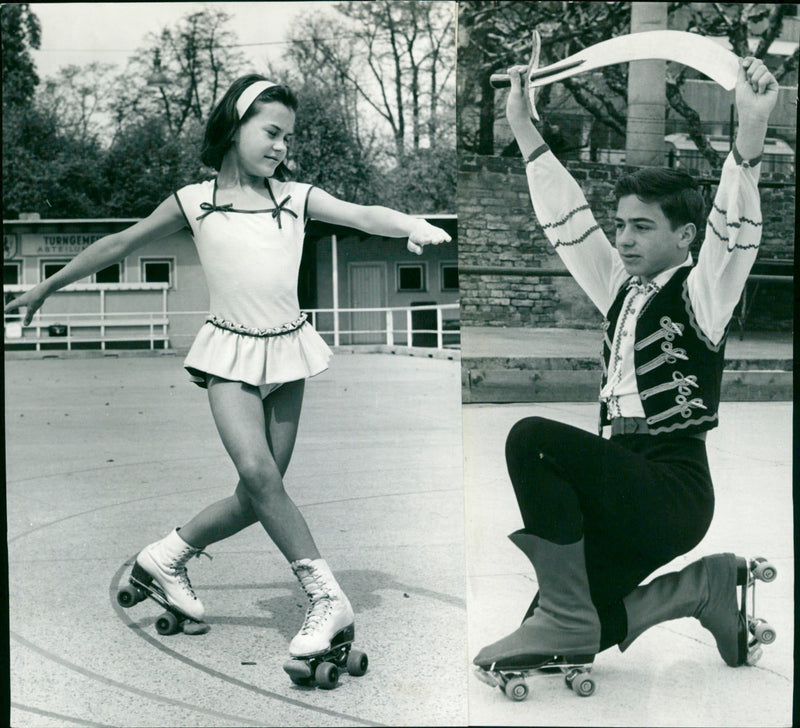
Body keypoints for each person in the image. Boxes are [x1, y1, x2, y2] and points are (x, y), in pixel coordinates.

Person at [5, 75, 451, 660]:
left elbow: (363, 213)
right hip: (229, 357)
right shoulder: (194, 201)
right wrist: (46, 286)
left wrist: (411, 225)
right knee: (262, 477)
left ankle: (163, 559)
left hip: (287, 352)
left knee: (257, 495)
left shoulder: (295, 198)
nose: (281, 147)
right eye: (271, 132)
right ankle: (326, 597)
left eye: (288, 138)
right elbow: (120, 243)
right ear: (235, 126)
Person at [472, 56, 778, 673]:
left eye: (642, 226)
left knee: (532, 441)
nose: (625, 239)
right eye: (621, 226)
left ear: (687, 236)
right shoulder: (619, 287)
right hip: (623, 482)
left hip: (670, 488)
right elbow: (568, 222)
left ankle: (568, 612)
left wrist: (749, 132)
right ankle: (704, 588)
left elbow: (732, 225)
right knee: (568, 630)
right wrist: (524, 127)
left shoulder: (703, 291)